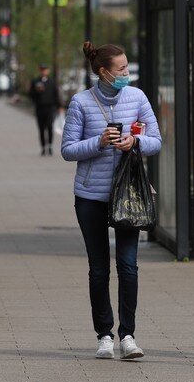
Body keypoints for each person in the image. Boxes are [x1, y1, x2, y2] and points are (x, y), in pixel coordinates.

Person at [61, 42, 161, 360]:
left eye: (127, 68)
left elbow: (156, 140)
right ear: (104, 72)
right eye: (121, 70)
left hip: (129, 194)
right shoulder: (81, 102)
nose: (126, 74)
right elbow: (68, 149)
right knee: (98, 269)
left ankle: (128, 335)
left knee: (128, 266)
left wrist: (135, 141)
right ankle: (104, 335)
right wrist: (100, 141)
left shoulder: (137, 97)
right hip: (91, 196)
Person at [29, 63, 60, 155]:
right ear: (39, 70)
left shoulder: (52, 81)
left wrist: (59, 106)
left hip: (50, 107)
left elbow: (56, 94)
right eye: (42, 69)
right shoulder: (35, 81)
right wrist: (36, 91)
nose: (43, 71)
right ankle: (43, 147)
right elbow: (30, 94)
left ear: (48, 70)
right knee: (41, 128)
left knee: (50, 127)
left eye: (45, 69)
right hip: (40, 108)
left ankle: (50, 146)